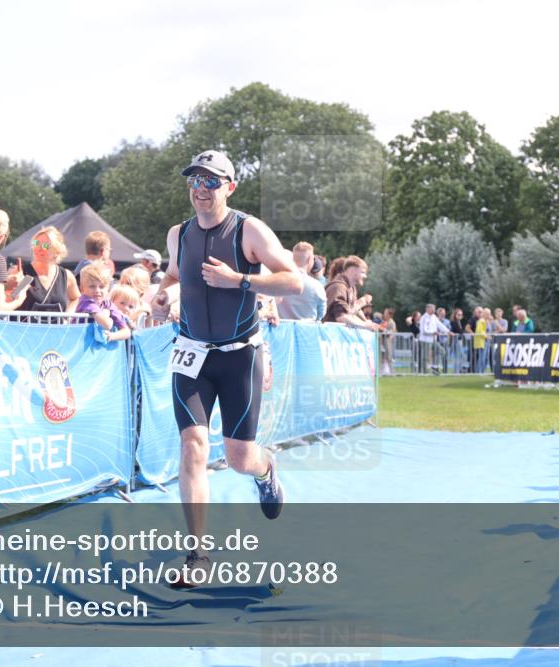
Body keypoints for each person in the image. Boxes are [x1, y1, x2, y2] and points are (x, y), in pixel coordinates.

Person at [151, 149, 302, 586]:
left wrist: (239, 280)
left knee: (239, 458)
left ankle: (265, 469)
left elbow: (293, 280)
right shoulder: (178, 234)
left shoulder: (248, 230)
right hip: (191, 353)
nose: (200, 189)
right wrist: (163, 297)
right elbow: (175, 276)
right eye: (195, 181)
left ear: (229, 187)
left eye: (211, 181)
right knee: (193, 446)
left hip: (240, 355)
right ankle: (197, 554)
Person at [14, 226, 80, 314]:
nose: (38, 248)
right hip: (25, 323)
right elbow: (10, 299)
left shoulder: (66, 276)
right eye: (36, 243)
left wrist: (67, 316)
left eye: (45, 245)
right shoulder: (22, 273)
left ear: (56, 251)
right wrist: (16, 287)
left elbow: (76, 298)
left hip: (57, 323)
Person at [76, 263, 130, 342]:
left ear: (107, 288)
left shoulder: (107, 303)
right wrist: (107, 313)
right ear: (82, 289)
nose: (97, 290)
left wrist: (112, 336)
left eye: (102, 287)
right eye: (92, 286)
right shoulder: (86, 302)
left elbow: (127, 332)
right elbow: (107, 325)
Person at [322, 256, 378, 330]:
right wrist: (365, 325)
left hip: (337, 333)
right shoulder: (339, 287)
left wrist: (366, 323)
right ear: (352, 271)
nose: (365, 276)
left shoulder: (350, 288)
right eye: (362, 272)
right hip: (330, 334)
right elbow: (341, 317)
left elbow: (350, 314)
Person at [379, 307, 397, 375]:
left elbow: (393, 331)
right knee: (381, 357)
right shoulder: (382, 321)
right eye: (384, 313)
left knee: (389, 357)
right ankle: (381, 372)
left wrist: (387, 332)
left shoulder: (392, 322)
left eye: (386, 313)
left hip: (388, 342)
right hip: (382, 342)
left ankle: (392, 372)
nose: (384, 315)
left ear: (389, 314)